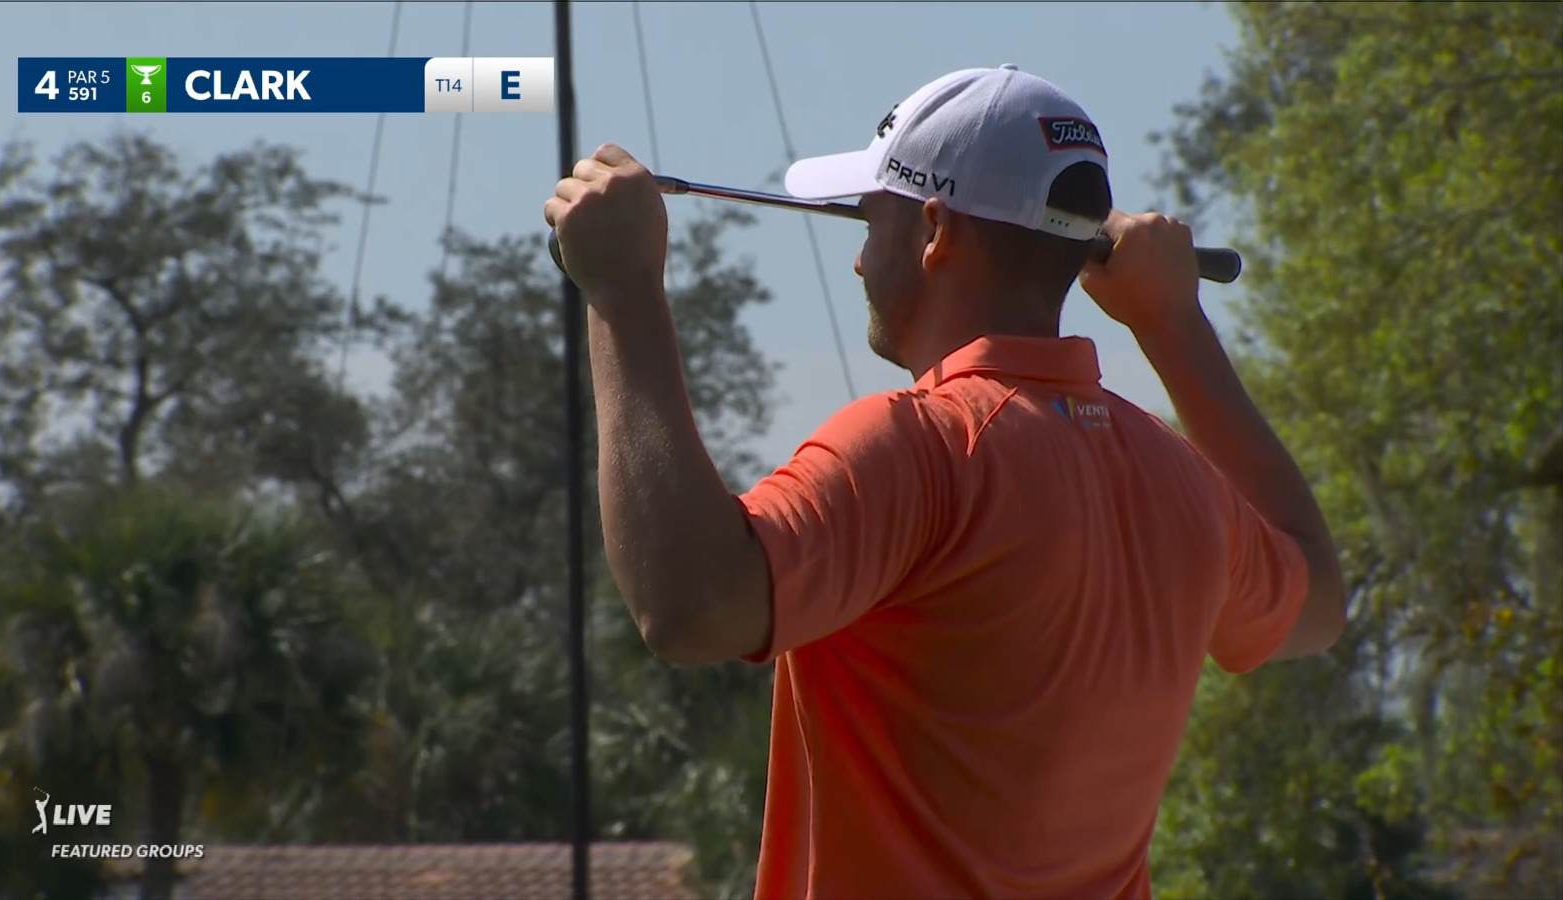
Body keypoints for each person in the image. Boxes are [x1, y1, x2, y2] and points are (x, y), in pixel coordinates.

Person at [544, 64, 1345, 900]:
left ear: (933, 231)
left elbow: (690, 607)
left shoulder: (918, 449)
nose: (859, 262)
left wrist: (622, 294)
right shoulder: (1184, 484)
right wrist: (1173, 321)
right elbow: (1317, 603)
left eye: (868, 219)